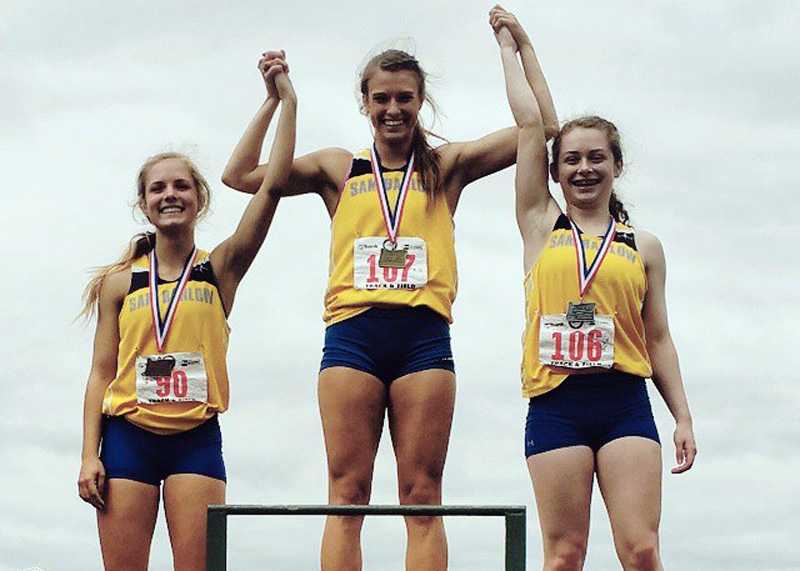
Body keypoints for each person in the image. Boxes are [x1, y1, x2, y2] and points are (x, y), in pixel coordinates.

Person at [221, 39, 557, 570]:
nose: (393, 109)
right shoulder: (338, 167)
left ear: (421, 101)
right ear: (365, 102)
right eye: (381, 99)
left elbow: (541, 128)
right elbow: (239, 177)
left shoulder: (446, 165)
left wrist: (517, 49)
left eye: (404, 98)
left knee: (422, 495)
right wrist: (275, 101)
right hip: (353, 336)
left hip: (423, 338)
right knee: (346, 494)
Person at [492, 7, 698, 570]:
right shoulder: (540, 224)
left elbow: (658, 337)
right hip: (555, 403)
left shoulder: (644, 247)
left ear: (616, 166)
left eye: (596, 158)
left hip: (624, 401)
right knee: (564, 555)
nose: (584, 169)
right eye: (572, 160)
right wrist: (516, 48)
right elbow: (531, 125)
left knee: (642, 549)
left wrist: (681, 416)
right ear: (555, 172)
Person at [76, 58, 296, 570]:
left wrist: (282, 102)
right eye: (158, 188)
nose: (170, 195)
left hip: (195, 438)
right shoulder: (119, 283)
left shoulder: (220, 269)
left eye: (180, 186)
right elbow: (101, 373)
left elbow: (272, 186)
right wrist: (89, 454)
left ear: (199, 198)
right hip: (128, 437)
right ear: (144, 205)